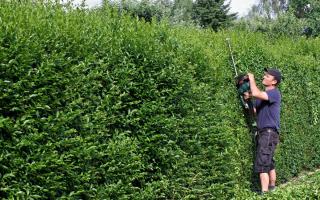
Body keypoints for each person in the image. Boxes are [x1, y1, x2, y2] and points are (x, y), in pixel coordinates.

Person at [245, 68, 282, 194]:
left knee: (262, 163)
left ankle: (265, 194)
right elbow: (254, 113)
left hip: (269, 132)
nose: (264, 77)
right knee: (268, 162)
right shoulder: (261, 97)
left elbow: (255, 92)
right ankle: (272, 189)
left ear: (274, 81)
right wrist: (249, 101)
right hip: (265, 133)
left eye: (267, 76)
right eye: (265, 75)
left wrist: (251, 79)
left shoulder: (274, 93)